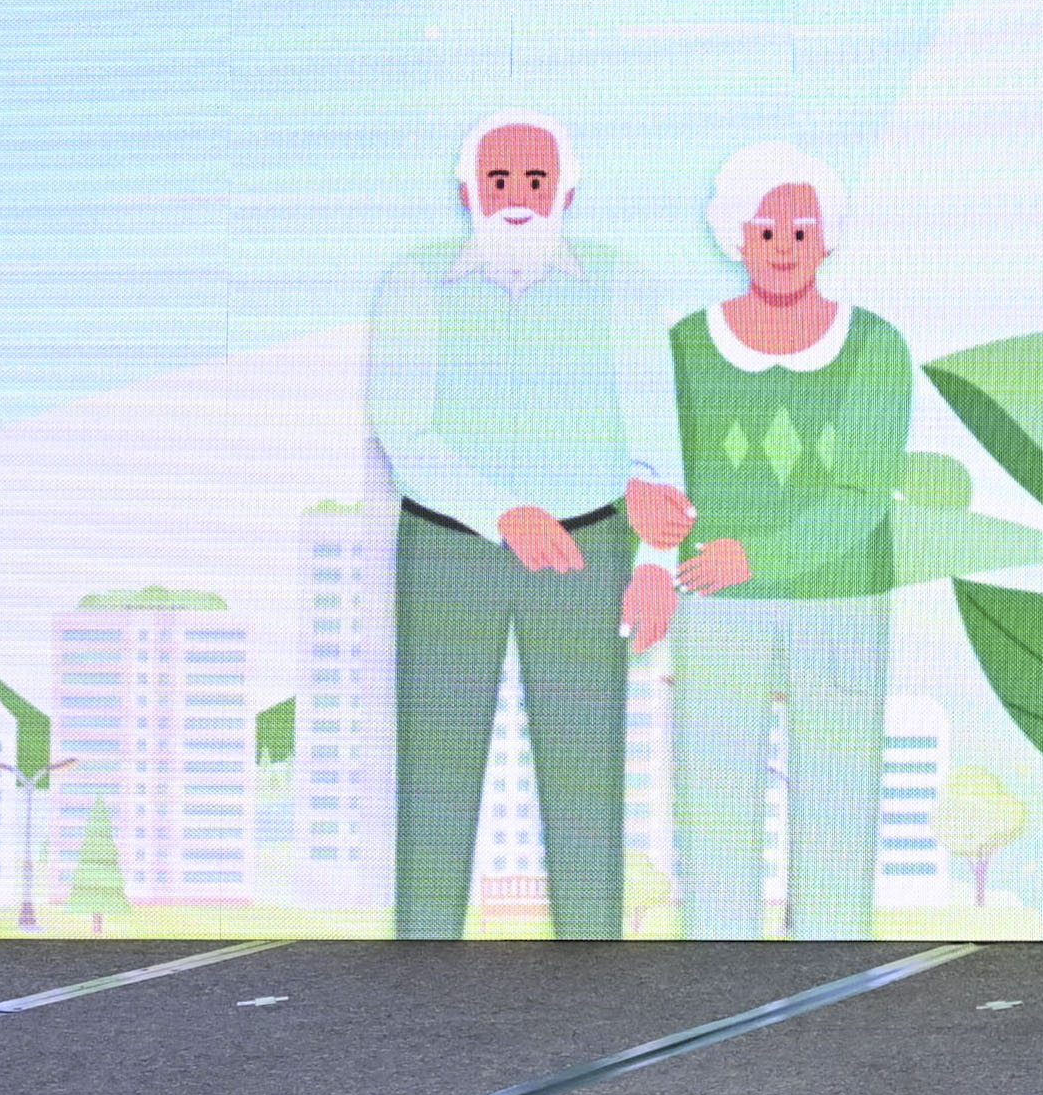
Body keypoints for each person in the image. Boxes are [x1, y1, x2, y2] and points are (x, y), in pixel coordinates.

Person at [368, 115, 688, 938]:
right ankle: (421, 973)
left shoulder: (620, 283)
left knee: (586, 782)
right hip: (449, 550)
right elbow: (402, 429)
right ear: (468, 191)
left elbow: (655, 441)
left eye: (536, 182)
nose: (517, 198)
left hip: (585, 547)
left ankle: (591, 976)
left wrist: (656, 564)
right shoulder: (414, 281)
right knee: (435, 782)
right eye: (499, 181)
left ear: (566, 193)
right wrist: (503, 514)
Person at [659, 145, 917, 939]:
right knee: (715, 807)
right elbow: (658, 467)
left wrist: (754, 555)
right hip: (714, 607)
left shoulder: (875, 345)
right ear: (735, 236)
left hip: (841, 605)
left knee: (838, 805)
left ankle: (831, 980)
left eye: (800, 230)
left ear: (827, 238)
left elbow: (863, 494)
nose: (782, 246)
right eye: (765, 229)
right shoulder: (686, 345)